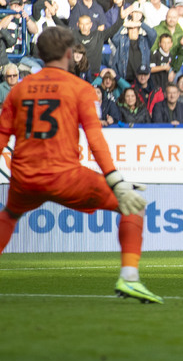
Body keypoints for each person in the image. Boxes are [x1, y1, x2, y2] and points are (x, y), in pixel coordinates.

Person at [0, 26, 161, 303]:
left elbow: (2, 135)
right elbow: (95, 138)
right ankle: (130, 278)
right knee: (132, 206)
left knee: (9, 216)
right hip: (65, 177)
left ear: (39, 53)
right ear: (68, 54)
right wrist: (115, 180)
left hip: (24, 178)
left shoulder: (20, 89)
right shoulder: (80, 88)